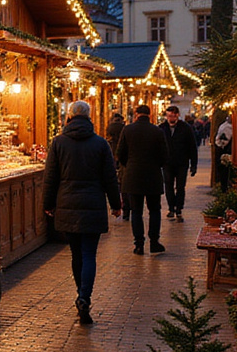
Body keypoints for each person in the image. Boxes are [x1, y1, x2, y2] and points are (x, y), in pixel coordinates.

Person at [42, 100, 122, 325]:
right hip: (93, 204)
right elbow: (110, 177)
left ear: (69, 117)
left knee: (76, 255)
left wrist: (47, 204)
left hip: (67, 204)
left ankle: (81, 294)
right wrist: (116, 204)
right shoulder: (100, 144)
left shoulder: (58, 143)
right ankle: (84, 296)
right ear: (89, 117)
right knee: (89, 254)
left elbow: (50, 177)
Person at [117, 103, 169, 255]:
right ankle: (154, 242)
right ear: (150, 115)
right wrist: (155, 165)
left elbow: (120, 153)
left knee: (136, 211)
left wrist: (129, 165)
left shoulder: (127, 130)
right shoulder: (157, 131)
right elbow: (164, 156)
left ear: (136, 114)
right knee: (154, 210)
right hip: (152, 176)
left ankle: (138, 244)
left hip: (133, 176)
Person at [160, 105, 199, 222]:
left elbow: (192, 147)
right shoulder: (162, 128)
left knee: (180, 186)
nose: (171, 118)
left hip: (182, 162)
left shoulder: (185, 128)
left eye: (173, 116)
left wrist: (194, 165)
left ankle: (179, 209)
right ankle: (171, 207)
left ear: (177, 115)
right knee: (168, 185)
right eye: (169, 116)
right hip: (167, 163)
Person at [104, 111, 128, 222]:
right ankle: (125, 207)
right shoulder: (124, 127)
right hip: (122, 156)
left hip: (113, 151)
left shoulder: (110, 127)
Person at [215, 117, 233, 191]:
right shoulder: (227, 127)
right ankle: (224, 188)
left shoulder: (223, 126)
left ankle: (224, 187)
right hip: (225, 151)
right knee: (224, 170)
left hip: (222, 150)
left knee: (223, 170)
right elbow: (224, 140)